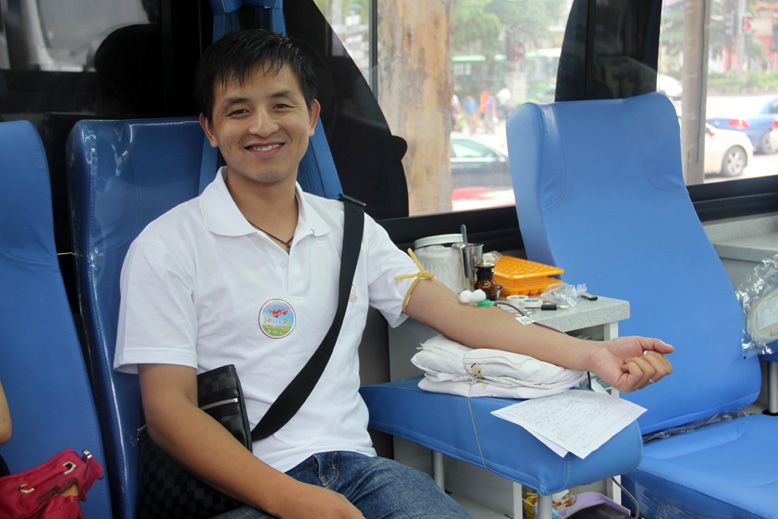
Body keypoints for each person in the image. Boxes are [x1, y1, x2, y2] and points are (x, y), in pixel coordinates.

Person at [114, 29, 673, 519]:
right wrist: (290, 499)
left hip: (358, 473)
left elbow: (463, 317)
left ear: (311, 117)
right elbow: (168, 412)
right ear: (210, 129)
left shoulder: (352, 230)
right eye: (238, 111)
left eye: (281, 105)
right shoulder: (167, 247)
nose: (263, 126)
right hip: (236, 489)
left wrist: (591, 355)